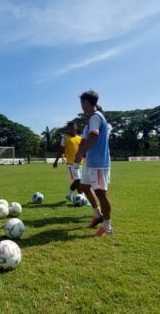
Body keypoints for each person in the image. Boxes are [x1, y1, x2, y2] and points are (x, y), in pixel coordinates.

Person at [74, 91, 113, 237]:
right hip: (90, 163)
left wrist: (79, 154)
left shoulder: (96, 117)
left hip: (98, 163)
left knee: (101, 194)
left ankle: (108, 227)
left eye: (82, 103)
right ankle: (98, 215)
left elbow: (93, 137)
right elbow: (84, 140)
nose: (81, 106)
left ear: (86, 103)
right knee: (83, 187)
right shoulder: (90, 122)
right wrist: (80, 154)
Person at [53, 122, 83, 202]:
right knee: (78, 180)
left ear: (76, 128)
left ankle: (82, 198)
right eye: (70, 128)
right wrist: (56, 161)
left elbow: (82, 150)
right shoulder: (64, 138)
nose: (71, 129)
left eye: (73, 128)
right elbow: (61, 150)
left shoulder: (80, 138)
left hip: (80, 163)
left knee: (78, 182)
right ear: (68, 129)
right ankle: (69, 195)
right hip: (71, 163)